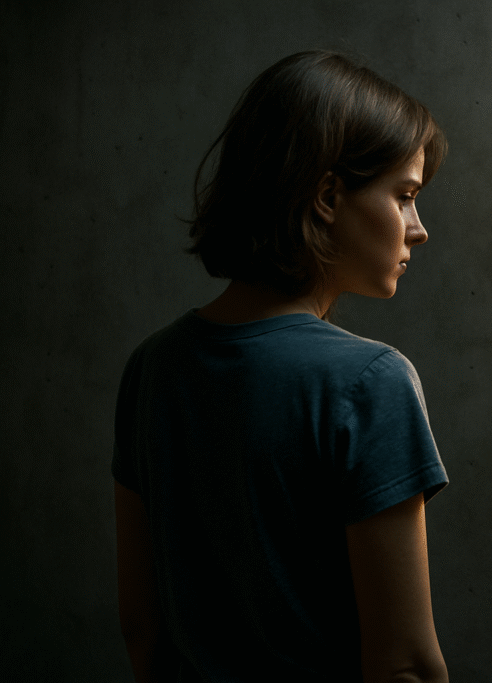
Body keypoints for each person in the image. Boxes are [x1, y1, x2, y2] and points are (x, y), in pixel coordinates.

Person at [112, 50, 449, 683]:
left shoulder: (151, 369)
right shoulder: (369, 384)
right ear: (326, 195)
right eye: (404, 196)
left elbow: (144, 629)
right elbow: (403, 665)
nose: (418, 228)